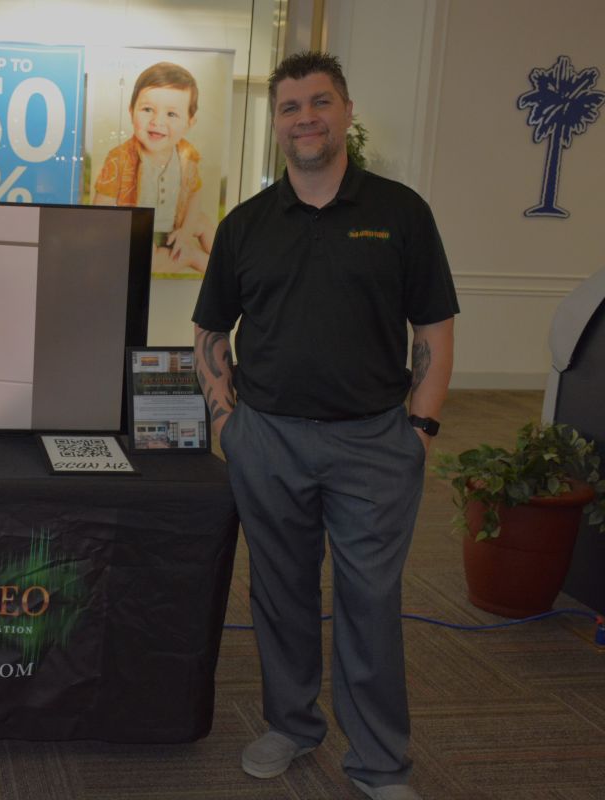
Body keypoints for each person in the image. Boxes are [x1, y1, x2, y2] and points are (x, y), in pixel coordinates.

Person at [192, 52, 457, 800]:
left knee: (369, 602)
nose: (304, 118)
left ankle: (379, 763)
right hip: (268, 439)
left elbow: (434, 327)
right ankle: (291, 723)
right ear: (275, 123)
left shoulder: (401, 213)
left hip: (374, 442)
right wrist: (227, 420)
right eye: (289, 107)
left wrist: (421, 429)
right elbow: (210, 331)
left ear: (345, 112)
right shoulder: (246, 224)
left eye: (319, 102)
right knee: (280, 594)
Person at [93, 61, 212, 274]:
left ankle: (224, 266)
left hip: (174, 227)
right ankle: (193, 258)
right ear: (131, 111)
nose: (157, 121)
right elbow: (101, 211)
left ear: (189, 122)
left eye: (171, 114)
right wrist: (118, 235)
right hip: (137, 233)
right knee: (144, 258)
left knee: (204, 224)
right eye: (148, 109)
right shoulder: (119, 159)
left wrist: (185, 232)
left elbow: (194, 195)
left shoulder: (187, 156)